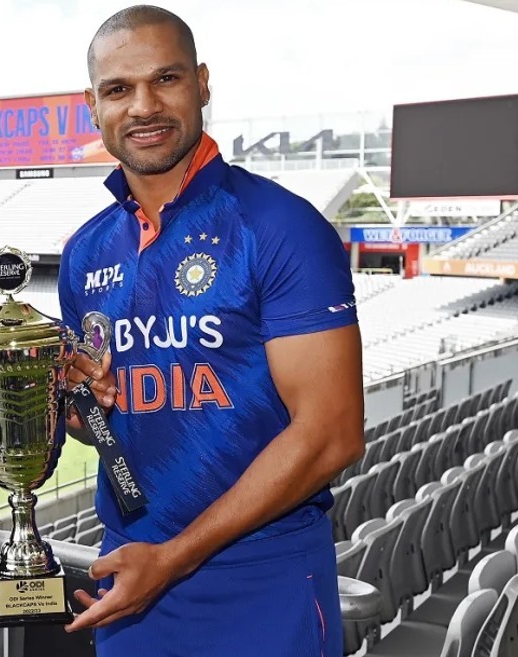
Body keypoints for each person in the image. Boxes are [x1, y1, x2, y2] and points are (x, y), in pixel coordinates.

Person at [58, 5, 365, 656]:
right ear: (93, 105)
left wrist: (173, 557)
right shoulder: (85, 253)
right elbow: (104, 424)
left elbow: (333, 433)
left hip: (261, 580)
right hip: (131, 578)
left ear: (201, 83)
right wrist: (85, 405)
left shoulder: (279, 226)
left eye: (164, 79)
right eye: (119, 89)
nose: (143, 105)